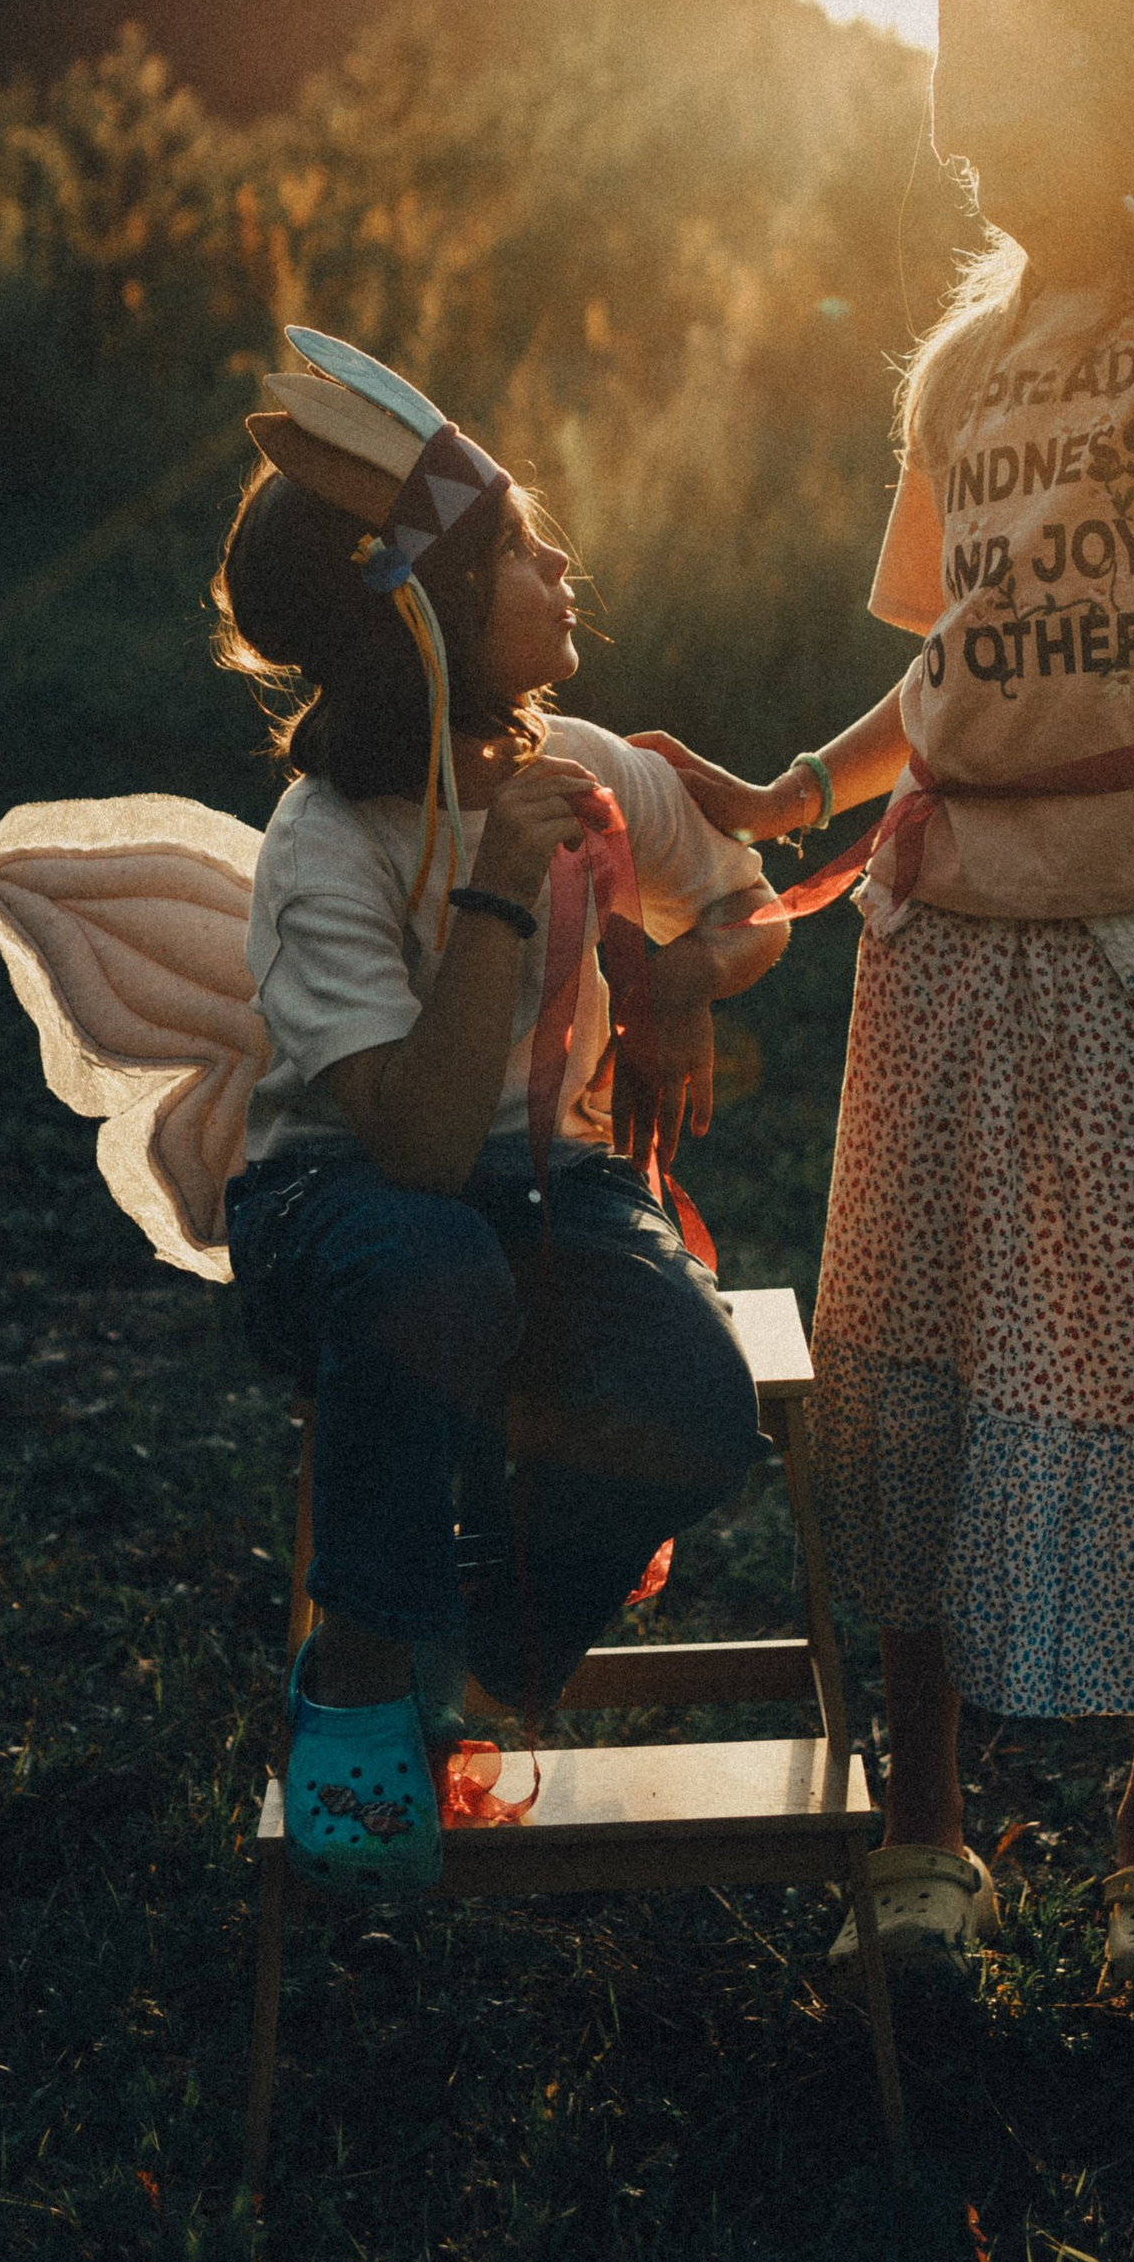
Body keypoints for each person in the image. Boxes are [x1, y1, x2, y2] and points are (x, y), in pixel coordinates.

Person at [640, 0, 1134, 2026]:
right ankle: (926, 1827)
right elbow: (967, 654)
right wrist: (803, 794)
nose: (972, 152)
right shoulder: (970, 366)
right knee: (926, 1381)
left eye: (1017, 103)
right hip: (949, 927)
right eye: (961, 110)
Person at [214, 329, 785, 1898]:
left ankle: (473, 1667)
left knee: (693, 1398)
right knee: (432, 1268)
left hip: (549, 1190)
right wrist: (494, 887)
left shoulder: (585, 764)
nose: (561, 564)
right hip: (338, 1211)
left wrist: (676, 975)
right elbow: (409, 1145)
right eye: (524, 550)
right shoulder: (325, 846)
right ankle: (355, 1672)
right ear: (437, 616)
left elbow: (753, 908)